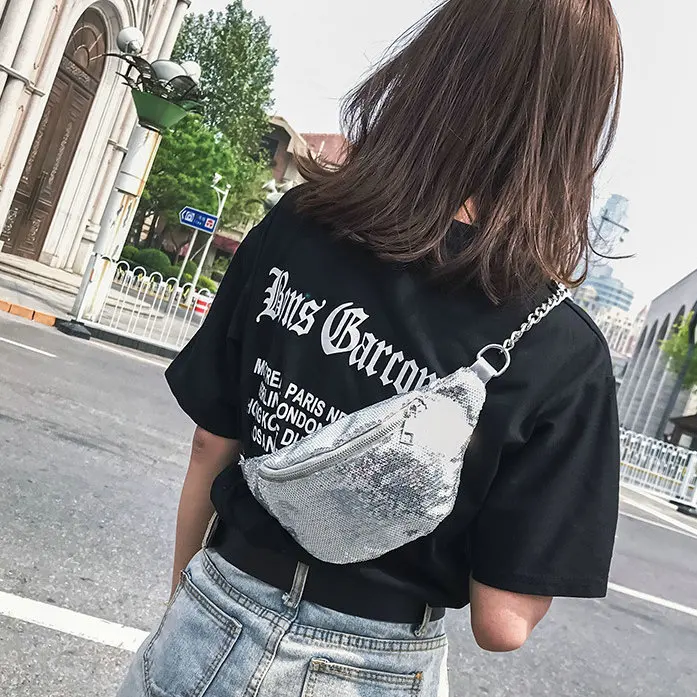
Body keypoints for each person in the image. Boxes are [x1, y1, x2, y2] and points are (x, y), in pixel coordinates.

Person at [118, 1, 623, 695]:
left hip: (217, 607)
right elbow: (501, 621)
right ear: (573, 126)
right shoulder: (559, 346)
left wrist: (189, 598)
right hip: (374, 662)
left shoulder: (300, 223)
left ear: (436, 66)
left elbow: (211, 442)